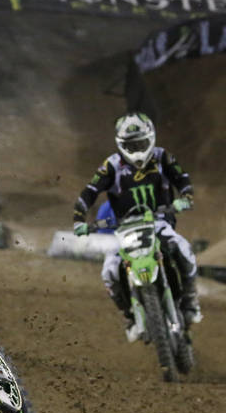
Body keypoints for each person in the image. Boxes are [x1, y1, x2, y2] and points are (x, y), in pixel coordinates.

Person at [72, 112, 201, 341]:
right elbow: (90, 191)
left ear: (150, 138)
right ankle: (130, 315)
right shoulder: (110, 166)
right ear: (121, 145)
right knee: (109, 271)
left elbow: (182, 178)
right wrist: (79, 217)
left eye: (141, 143)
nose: (137, 149)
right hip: (125, 229)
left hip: (159, 222)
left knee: (184, 250)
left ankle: (190, 301)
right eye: (131, 145)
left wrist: (186, 196)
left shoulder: (162, 158)